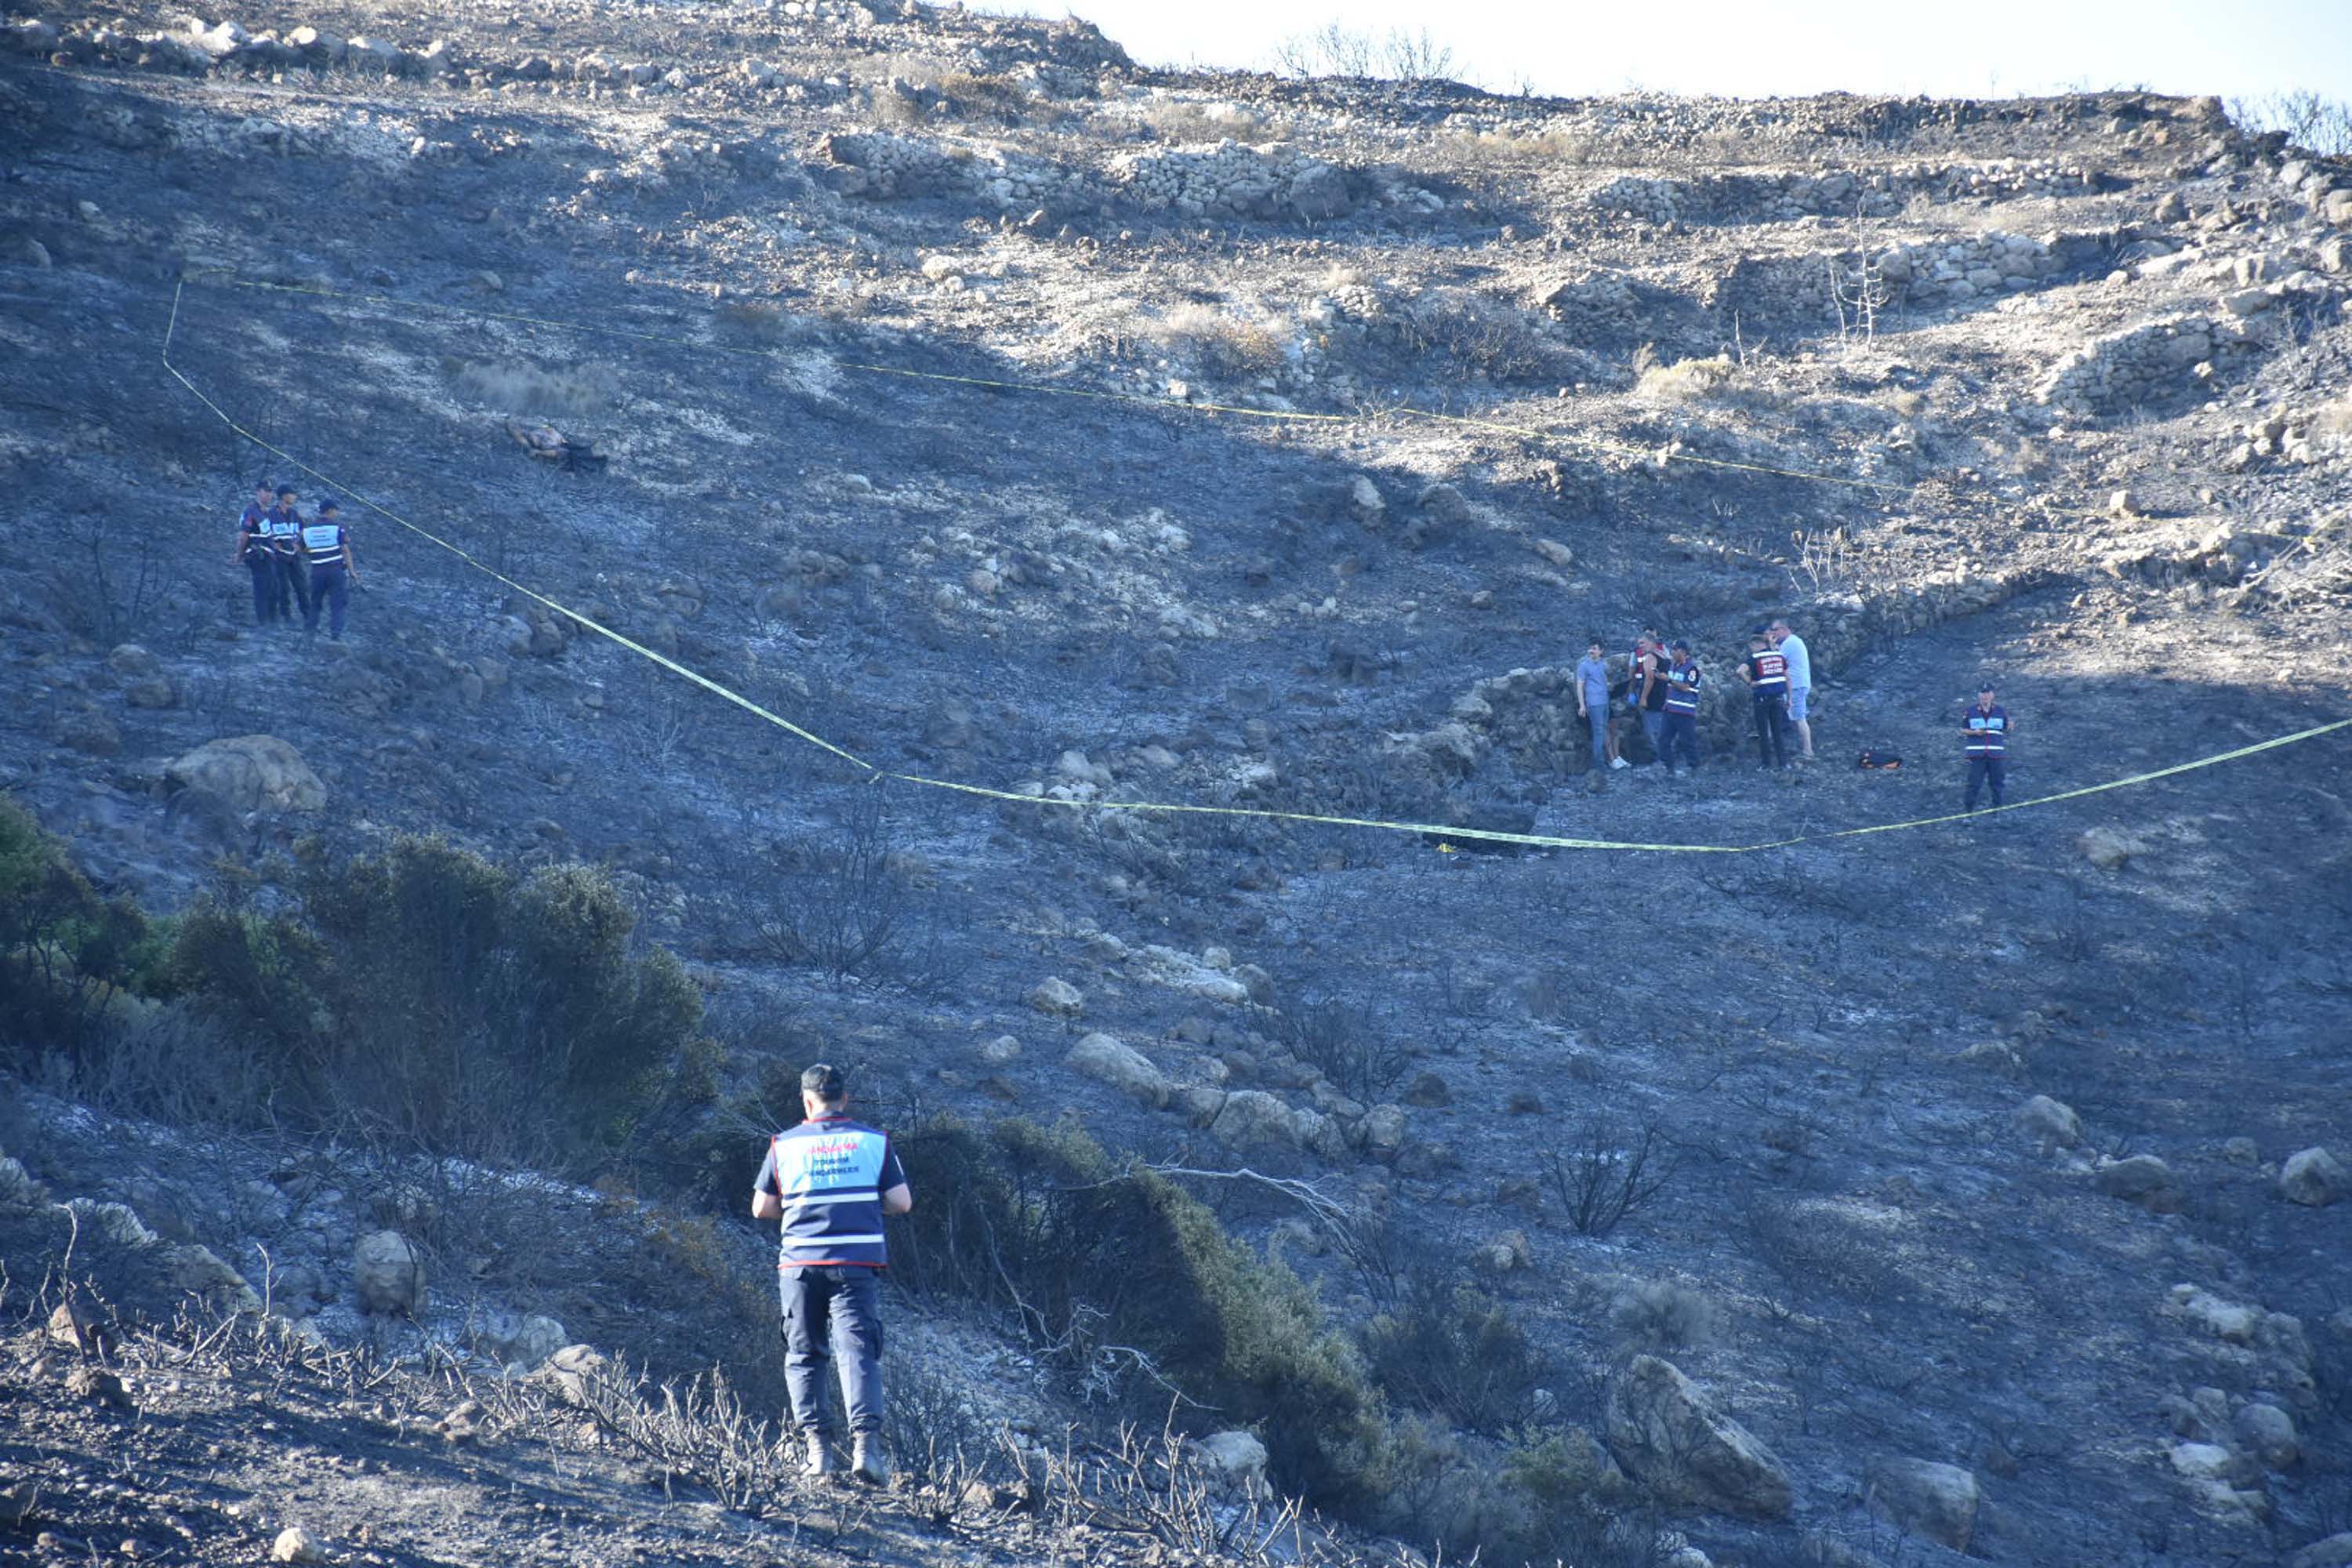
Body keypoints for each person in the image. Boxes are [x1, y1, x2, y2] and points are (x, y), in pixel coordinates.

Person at [752, 1062, 913, 1483]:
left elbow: (762, 1208)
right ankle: (867, 1452)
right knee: (858, 1353)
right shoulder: (874, 1142)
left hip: (801, 1266)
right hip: (857, 1265)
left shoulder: (784, 1145)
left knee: (805, 1355)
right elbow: (902, 1202)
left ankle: (818, 1454)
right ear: (845, 1099)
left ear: (807, 1102)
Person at [300, 499, 358, 640]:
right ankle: (336, 634)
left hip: (317, 571)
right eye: (336, 511)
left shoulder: (308, 530)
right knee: (338, 603)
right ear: (330, 510)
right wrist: (352, 571)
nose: (336, 514)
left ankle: (310, 632)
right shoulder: (337, 528)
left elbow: (300, 548)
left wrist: (315, 552)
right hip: (335, 571)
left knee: (315, 603)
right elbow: (345, 549)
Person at [1740, 630, 1791, 771]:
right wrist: (1790, 698)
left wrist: (1750, 683)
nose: (1750, 649)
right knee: (1778, 732)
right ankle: (1783, 763)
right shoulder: (1778, 656)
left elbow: (1740, 671)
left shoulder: (1755, 657)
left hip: (1762, 698)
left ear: (1755, 644)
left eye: (1751, 646)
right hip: (1779, 698)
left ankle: (1766, 764)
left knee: (1763, 732)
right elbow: (1787, 677)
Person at [264, 486, 311, 625]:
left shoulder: (294, 514)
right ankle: (286, 616)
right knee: (283, 587)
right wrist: (274, 545)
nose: (295, 496)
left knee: (301, 586)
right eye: (292, 494)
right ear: (284, 496)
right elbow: (264, 534)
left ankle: (308, 615)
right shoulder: (270, 514)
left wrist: (300, 545)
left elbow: (303, 533)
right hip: (278, 557)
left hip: (293, 556)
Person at [1769, 619, 1814, 760]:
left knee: (1800, 718)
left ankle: (1808, 751)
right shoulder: (1793, 642)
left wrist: (1771, 644)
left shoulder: (1790, 643)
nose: (1773, 633)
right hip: (1795, 685)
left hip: (1795, 686)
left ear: (1784, 629)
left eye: (1775, 630)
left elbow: (1775, 660)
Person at [232, 481, 276, 625]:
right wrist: (239, 554)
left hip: (269, 556)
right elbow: (244, 535)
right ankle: (263, 621)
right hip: (257, 555)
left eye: (270, 491)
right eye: (266, 491)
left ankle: (270, 619)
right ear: (258, 491)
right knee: (261, 587)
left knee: (272, 587)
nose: (269, 494)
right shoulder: (251, 511)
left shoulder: (267, 513)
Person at [1962, 684, 2011, 811]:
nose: (1985, 696)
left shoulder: (2001, 711)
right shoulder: (1970, 711)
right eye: (1982, 693)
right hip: (1977, 755)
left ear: (1992, 695)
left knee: (1997, 784)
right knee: (1973, 784)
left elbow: (2006, 728)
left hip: (1996, 754)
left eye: (1987, 693)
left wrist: (2011, 726)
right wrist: (1974, 732)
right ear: (1979, 696)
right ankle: (1968, 813)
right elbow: (1963, 729)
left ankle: (1997, 811)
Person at [1574, 638, 1621, 771]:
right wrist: (1582, 706)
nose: (1591, 651)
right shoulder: (1584, 666)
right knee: (1598, 732)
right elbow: (1580, 686)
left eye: (1594, 648)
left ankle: (1606, 761)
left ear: (1601, 651)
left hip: (1605, 701)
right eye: (1590, 648)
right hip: (1594, 703)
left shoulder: (1602, 664)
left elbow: (1608, 678)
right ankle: (1599, 765)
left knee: (1604, 730)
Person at [1661, 641, 1704, 775]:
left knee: (1687, 741)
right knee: (1663, 739)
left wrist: (1668, 680)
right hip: (1670, 710)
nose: (1672, 652)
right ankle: (1669, 768)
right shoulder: (1673, 666)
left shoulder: (1692, 669)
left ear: (1683, 651)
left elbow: (1686, 687)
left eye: (1675, 649)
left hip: (1685, 711)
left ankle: (1694, 768)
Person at [1634, 628, 1670, 765]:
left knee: (1652, 730)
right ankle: (1666, 757)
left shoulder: (1650, 657)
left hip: (1653, 698)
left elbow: (1649, 678)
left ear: (1650, 642)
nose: (1640, 646)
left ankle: (1661, 759)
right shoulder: (1663, 655)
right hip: (1663, 695)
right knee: (1662, 728)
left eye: (1642, 643)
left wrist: (1643, 698)